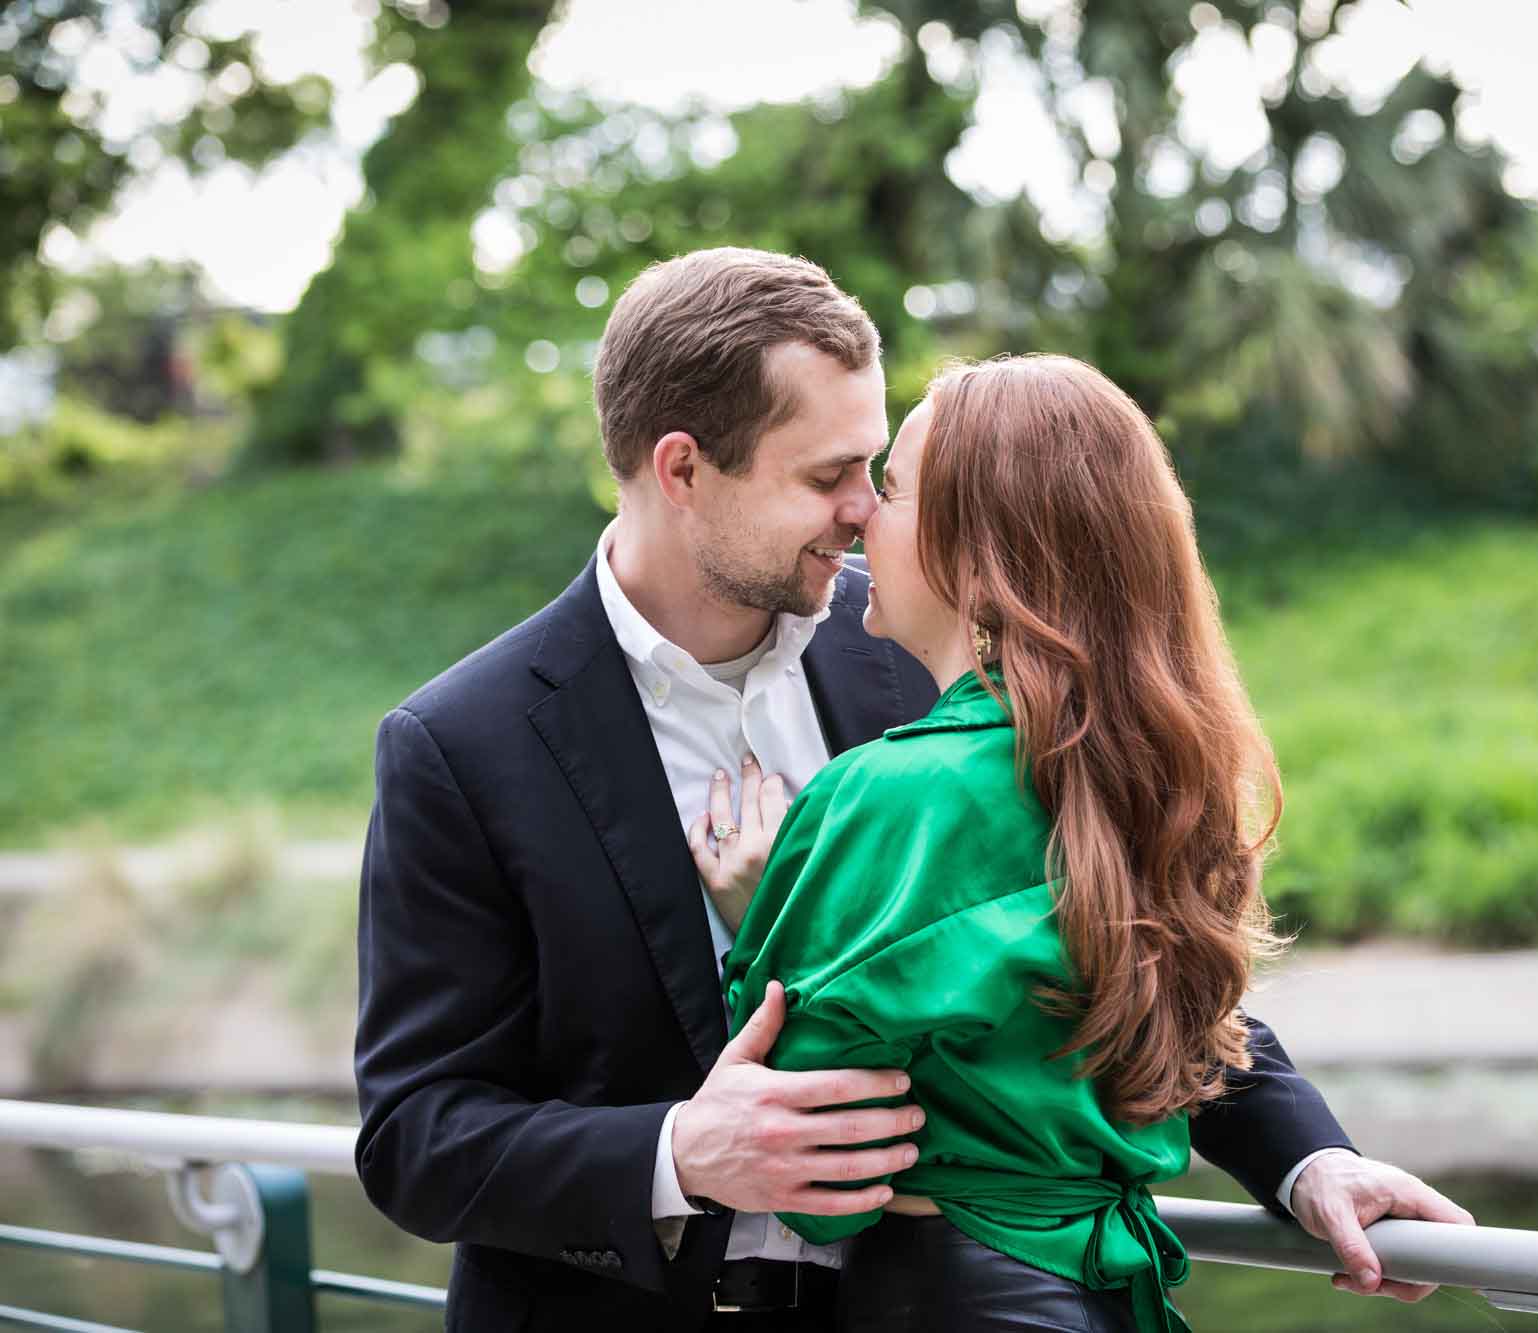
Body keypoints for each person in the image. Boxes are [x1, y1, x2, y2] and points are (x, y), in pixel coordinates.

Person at [353, 248, 1469, 1331]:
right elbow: (415, 1134)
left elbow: (1101, 941)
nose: (860, 511)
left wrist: (1311, 1160)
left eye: (874, 467)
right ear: (682, 469)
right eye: (827, 475)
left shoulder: (920, 636)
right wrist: (678, 1149)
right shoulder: (461, 743)